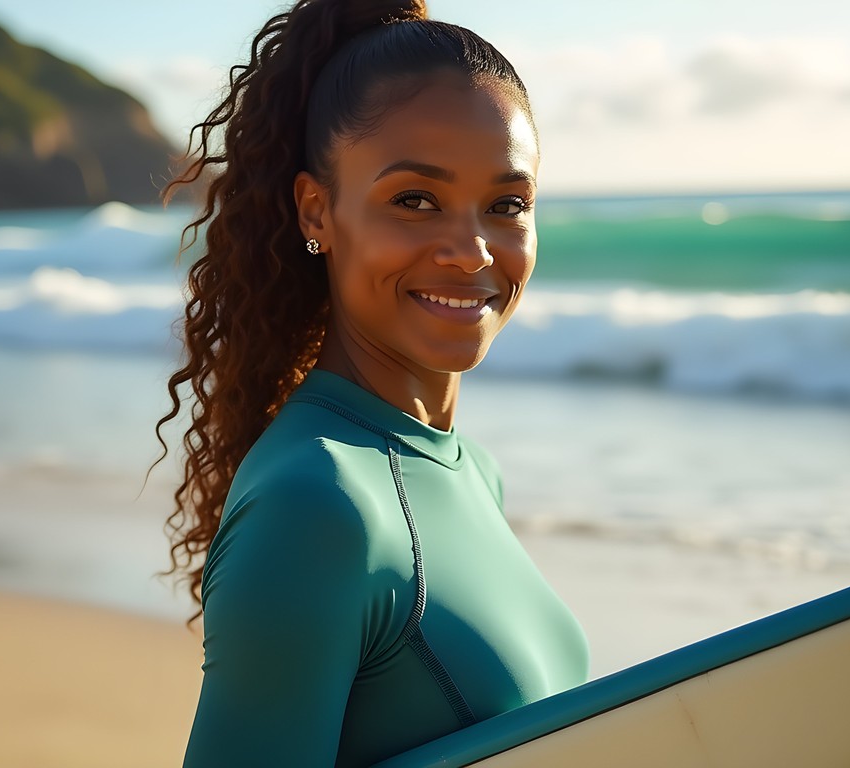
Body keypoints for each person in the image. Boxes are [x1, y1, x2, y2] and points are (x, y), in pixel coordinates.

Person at [157, 1, 590, 765]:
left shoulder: (470, 473)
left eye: (507, 205)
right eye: (415, 200)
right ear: (317, 210)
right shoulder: (316, 507)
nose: (472, 249)